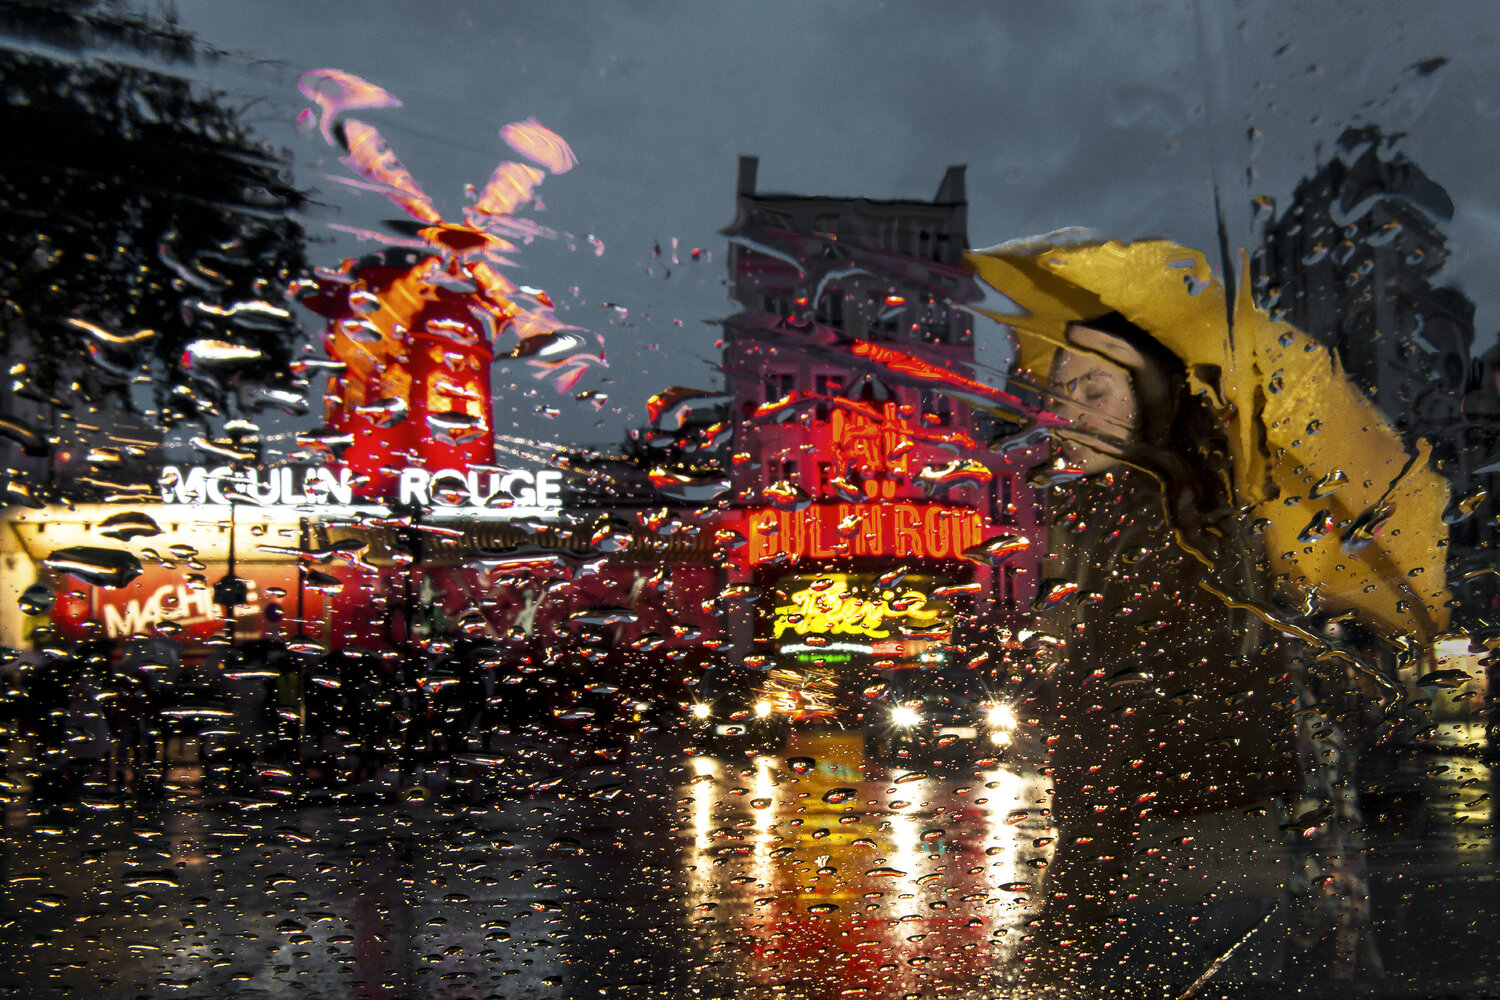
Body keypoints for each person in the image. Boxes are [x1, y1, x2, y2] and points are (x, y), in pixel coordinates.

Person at [1026, 312, 1299, 972]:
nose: (1072, 414)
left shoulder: (1155, 529)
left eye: (1096, 391)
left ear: (1151, 402)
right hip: (1208, 867)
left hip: (1171, 881)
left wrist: (1074, 904)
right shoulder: (1155, 508)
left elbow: (1123, 736)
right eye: (1061, 396)